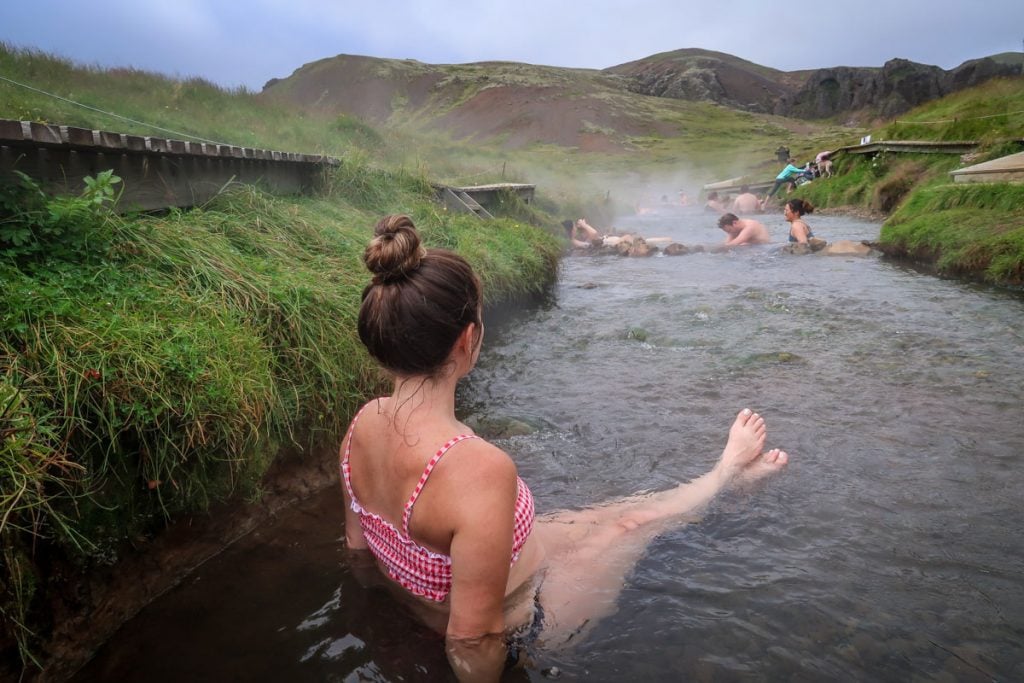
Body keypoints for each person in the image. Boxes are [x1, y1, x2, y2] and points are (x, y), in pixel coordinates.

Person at [341, 214, 789, 681]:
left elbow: (359, 552)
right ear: (468, 339)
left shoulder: (361, 425)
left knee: (612, 512)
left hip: (487, 573)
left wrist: (394, 616)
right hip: (526, 622)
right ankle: (722, 476)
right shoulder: (475, 467)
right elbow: (472, 640)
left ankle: (721, 476)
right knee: (628, 526)